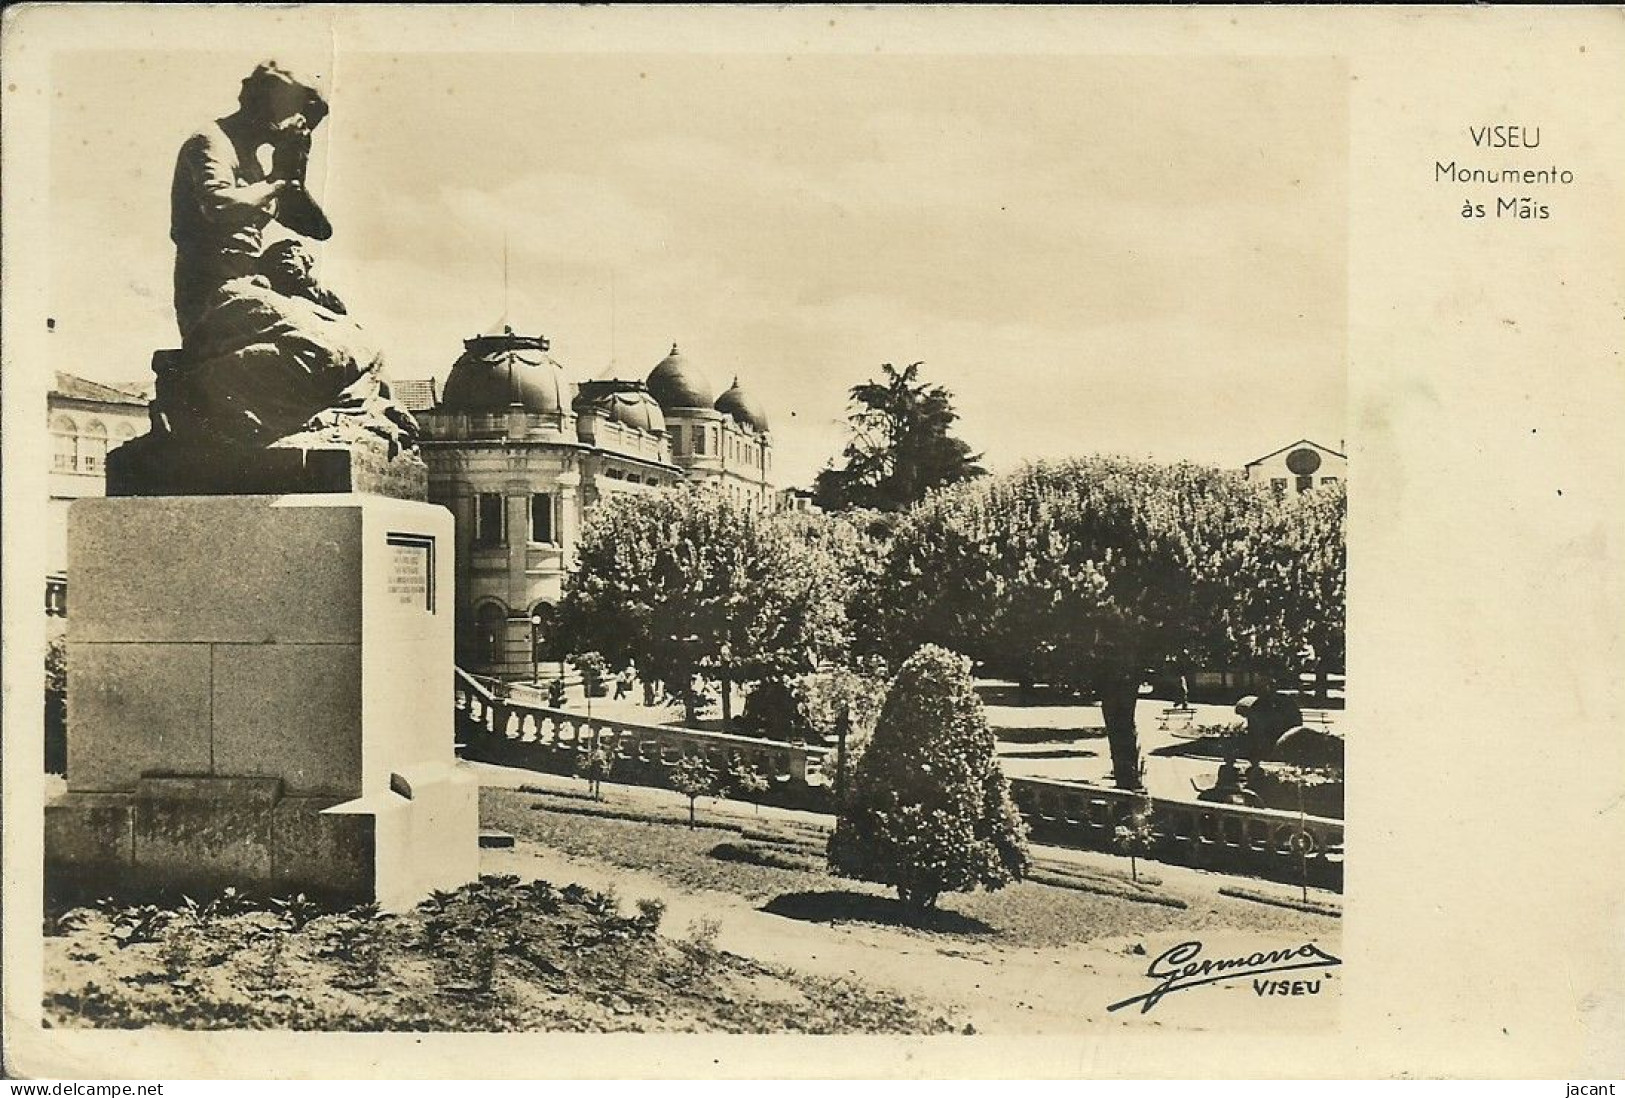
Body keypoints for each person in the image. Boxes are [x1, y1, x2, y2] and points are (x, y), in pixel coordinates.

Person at [159, 62, 413, 452]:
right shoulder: (210, 141)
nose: (299, 128)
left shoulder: (256, 161)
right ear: (267, 105)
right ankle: (208, 392)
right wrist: (278, 180)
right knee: (325, 352)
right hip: (212, 297)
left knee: (361, 345)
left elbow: (316, 228)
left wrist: (293, 174)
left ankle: (340, 420)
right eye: (295, 117)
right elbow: (219, 205)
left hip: (250, 291)